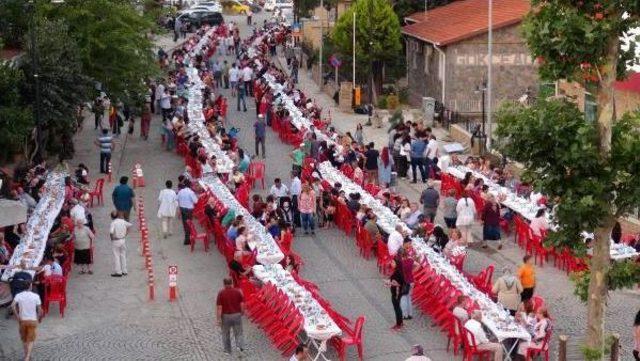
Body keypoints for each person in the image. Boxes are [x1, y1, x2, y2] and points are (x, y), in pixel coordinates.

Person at [11, 284, 43, 361]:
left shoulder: (18, 295)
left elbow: (12, 306)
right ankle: (27, 357)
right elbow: (39, 310)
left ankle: (26, 355)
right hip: (32, 320)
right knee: (31, 340)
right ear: (30, 287)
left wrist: (17, 316)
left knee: (24, 339)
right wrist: (38, 318)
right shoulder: (36, 296)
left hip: (22, 320)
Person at [216, 278, 245, 355]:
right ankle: (239, 346)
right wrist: (242, 312)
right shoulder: (238, 292)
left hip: (226, 316)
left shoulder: (221, 293)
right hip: (236, 315)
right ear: (231, 283)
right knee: (239, 332)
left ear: (224, 284)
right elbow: (242, 303)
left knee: (225, 333)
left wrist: (218, 319)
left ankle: (227, 351)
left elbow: (219, 307)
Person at [109, 210, 132, 277]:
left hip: (116, 240)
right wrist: (126, 234)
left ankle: (118, 271)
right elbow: (130, 225)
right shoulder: (122, 221)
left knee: (116, 256)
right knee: (123, 255)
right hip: (123, 239)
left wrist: (112, 238)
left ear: (112, 217)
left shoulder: (113, 223)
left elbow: (111, 232)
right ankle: (124, 270)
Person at [386, 255, 405, 331]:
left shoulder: (398, 273)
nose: (391, 263)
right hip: (397, 291)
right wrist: (390, 282)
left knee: (397, 308)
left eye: (393, 262)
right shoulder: (399, 271)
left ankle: (398, 324)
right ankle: (400, 322)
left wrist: (390, 283)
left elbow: (398, 283)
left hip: (396, 293)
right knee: (398, 307)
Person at [399, 248, 415, 320]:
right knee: (409, 298)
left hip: (404, 282)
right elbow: (418, 265)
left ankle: (404, 315)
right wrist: (412, 271)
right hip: (411, 281)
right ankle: (410, 314)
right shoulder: (410, 260)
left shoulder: (401, 263)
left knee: (403, 298)